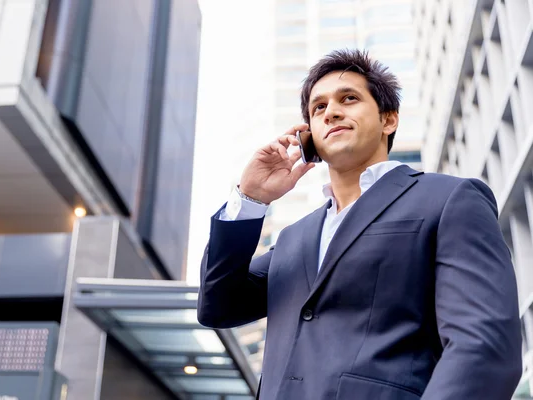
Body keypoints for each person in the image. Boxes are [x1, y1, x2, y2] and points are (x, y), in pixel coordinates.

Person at [196, 49, 522, 400]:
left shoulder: (449, 199)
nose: (331, 111)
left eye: (348, 99)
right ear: (309, 138)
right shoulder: (294, 239)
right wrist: (250, 198)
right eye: (318, 108)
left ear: (388, 120)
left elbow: (482, 346)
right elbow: (218, 305)